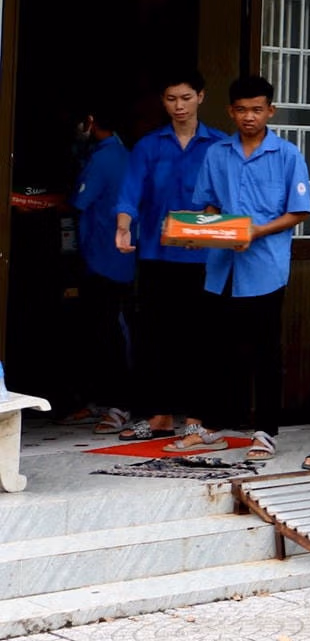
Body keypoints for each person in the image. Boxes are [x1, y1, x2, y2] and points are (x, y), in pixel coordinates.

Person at [164, 76, 310, 462]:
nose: (249, 116)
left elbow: (298, 211)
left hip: (265, 268)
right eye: (242, 110)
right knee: (214, 349)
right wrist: (202, 231)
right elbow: (209, 205)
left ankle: (265, 432)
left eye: (257, 109)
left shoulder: (287, 154)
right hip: (221, 267)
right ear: (231, 111)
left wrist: (256, 231)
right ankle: (210, 427)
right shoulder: (217, 153)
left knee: (265, 352)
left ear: (270, 111)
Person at [113, 71, 222, 441]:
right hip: (156, 255)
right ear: (163, 101)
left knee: (199, 339)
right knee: (154, 337)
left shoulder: (219, 145)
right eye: (172, 99)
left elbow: (226, 198)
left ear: (200, 97)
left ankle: (196, 417)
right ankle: (159, 416)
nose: (179, 106)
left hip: (204, 259)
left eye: (186, 98)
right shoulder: (148, 146)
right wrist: (124, 225)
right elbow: (130, 192)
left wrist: (207, 226)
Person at [63, 105, 136, 433]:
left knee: (110, 332)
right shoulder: (118, 154)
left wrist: (32, 200)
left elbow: (77, 202)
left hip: (107, 258)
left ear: (90, 122)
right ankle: (99, 401)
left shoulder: (106, 158)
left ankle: (120, 404)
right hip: (104, 256)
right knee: (95, 331)